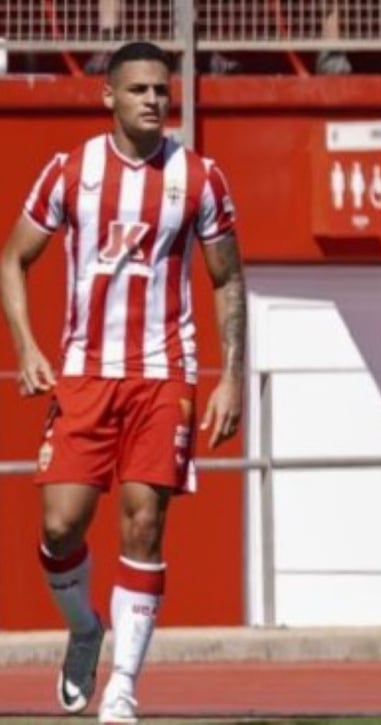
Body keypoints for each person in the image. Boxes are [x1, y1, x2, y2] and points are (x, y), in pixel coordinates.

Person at [0, 41, 245, 724]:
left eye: (161, 91)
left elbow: (227, 278)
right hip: (83, 374)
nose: (153, 101)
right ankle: (85, 627)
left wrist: (230, 377)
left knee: (145, 521)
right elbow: (11, 259)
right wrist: (25, 346)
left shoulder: (200, 177)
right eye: (138, 90)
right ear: (108, 95)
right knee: (60, 525)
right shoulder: (69, 171)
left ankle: (124, 687)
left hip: (165, 373)